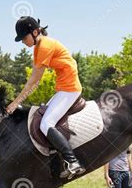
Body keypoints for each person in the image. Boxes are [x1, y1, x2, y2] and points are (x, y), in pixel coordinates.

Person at [6, 16, 85, 178]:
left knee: (46, 123)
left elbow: (34, 82)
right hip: (63, 88)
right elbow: (33, 83)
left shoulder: (45, 45)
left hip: (70, 89)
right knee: (41, 118)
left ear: (35, 32)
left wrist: (15, 103)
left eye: (24, 38)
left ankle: (73, 162)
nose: (23, 42)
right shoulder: (38, 47)